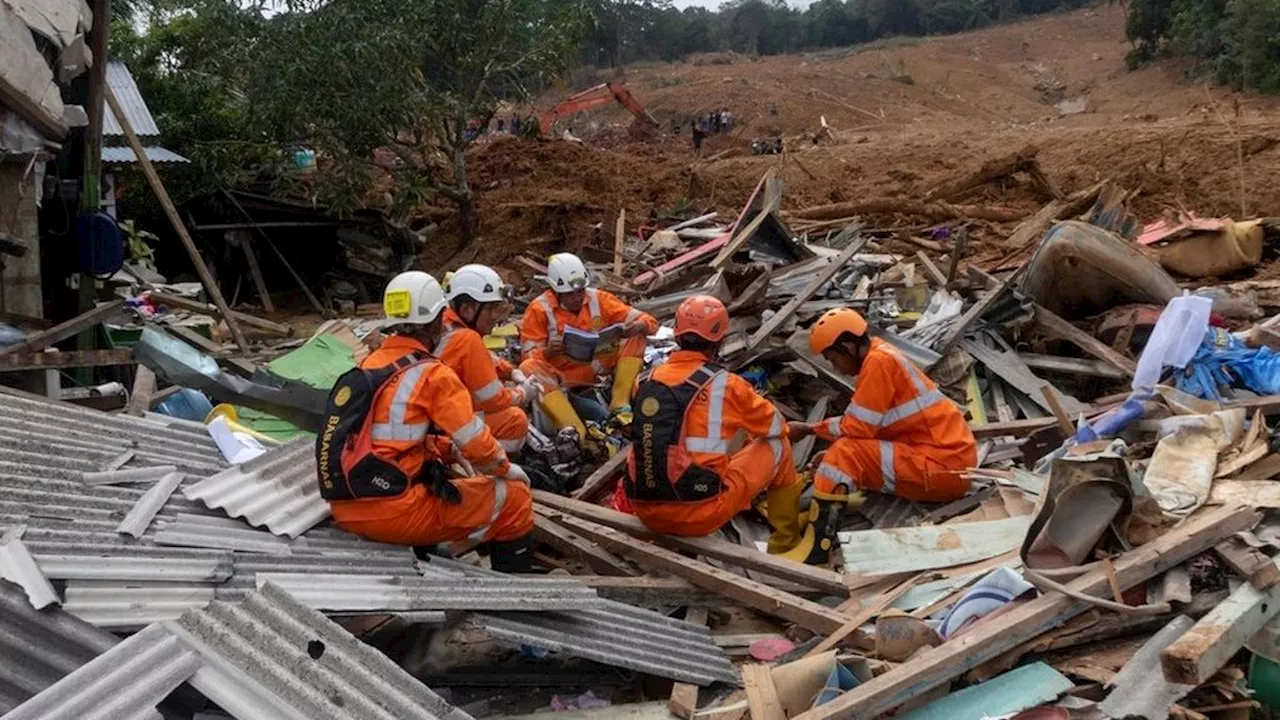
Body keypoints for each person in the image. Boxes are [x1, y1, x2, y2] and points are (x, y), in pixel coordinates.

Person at [318, 271, 535, 572]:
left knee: (440, 475)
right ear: (436, 323)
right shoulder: (433, 373)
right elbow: (477, 444)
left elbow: (387, 437)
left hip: (347, 506)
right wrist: (508, 470)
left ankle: (427, 550)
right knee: (514, 500)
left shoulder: (370, 365)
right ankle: (516, 601)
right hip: (393, 509)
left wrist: (445, 447)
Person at [624, 296, 803, 553]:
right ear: (720, 338)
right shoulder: (727, 385)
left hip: (645, 510)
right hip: (700, 512)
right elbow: (776, 427)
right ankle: (786, 542)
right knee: (778, 445)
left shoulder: (645, 381)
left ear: (677, 333)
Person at [789, 308, 976, 547]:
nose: (835, 368)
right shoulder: (883, 357)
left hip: (943, 466)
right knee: (842, 456)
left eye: (833, 359)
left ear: (847, 348)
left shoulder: (878, 363)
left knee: (844, 452)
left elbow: (857, 428)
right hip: (950, 462)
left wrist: (809, 429)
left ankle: (817, 542)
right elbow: (876, 429)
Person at [519, 252, 656, 439]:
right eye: (570, 294)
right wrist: (548, 352)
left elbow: (649, 321)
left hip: (598, 371)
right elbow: (528, 358)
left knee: (637, 335)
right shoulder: (539, 310)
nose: (577, 298)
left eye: (580, 291)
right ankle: (577, 433)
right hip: (563, 381)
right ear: (555, 291)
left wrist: (639, 325)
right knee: (529, 368)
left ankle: (620, 403)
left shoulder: (598, 299)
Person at [440, 264, 540, 453]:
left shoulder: (447, 324)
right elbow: (491, 400)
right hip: (446, 428)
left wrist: (510, 371)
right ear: (468, 310)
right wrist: (522, 394)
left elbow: (482, 358)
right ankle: (481, 463)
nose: (496, 317)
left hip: (437, 418)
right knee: (515, 421)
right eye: (492, 308)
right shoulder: (467, 339)